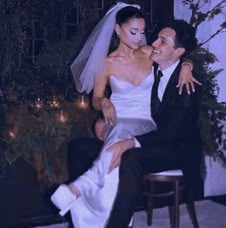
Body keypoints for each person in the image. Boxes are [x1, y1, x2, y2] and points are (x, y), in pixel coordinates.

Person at [51, 2, 199, 228]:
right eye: (133, 32)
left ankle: (82, 192)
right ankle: (112, 216)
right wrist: (105, 103)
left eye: (142, 32)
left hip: (145, 124)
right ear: (117, 29)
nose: (140, 38)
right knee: (114, 133)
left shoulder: (150, 53)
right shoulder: (107, 63)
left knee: (121, 143)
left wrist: (188, 64)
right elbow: (96, 98)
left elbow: (177, 54)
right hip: (117, 120)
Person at [105, 19, 203, 228]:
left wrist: (129, 142)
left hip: (178, 150)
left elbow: (171, 133)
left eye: (162, 41)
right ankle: (89, 216)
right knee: (83, 149)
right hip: (154, 142)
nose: (154, 44)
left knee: (129, 157)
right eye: (157, 38)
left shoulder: (187, 85)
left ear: (178, 52)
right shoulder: (152, 71)